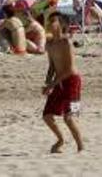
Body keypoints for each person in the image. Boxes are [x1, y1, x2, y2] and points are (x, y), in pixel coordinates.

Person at [41, 11, 83, 153]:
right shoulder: (50, 44)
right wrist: (48, 83)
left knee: (69, 117)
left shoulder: (66, 42)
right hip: (58, 82)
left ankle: (81, 148)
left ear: (61, 24)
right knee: (47, 116)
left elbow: (70, 70)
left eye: (53, 21)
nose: (49, 24)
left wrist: (52, 84)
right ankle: (60, 140)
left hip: (72, 81)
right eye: (49, 21)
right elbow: (52, 66)